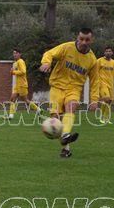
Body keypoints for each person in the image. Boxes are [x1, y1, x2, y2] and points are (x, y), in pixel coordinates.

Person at [39, 28, 99, 158]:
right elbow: (49, 53)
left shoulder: (92, 60)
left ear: (91, 40)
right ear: (78, 37)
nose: (84, 42)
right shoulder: (67, 47)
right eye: (81, 39)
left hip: (74, 89)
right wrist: (46, 62)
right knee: (56, 118)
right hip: (57, 86)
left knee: (71, 107)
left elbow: (95, 81)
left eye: (87, 40)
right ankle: (66, 149)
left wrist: (94, 100)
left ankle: (65, 134)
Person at [5, 48, 41, 119]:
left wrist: (14, 72)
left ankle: (38, 109)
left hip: (22, 84)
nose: (14, 54)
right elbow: (16, 72)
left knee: (26, 100)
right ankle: (11, 116)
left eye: (16, 53)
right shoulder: (15, 63)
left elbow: (23, 71)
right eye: (13, 53)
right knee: (12, 98)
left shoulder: (21, 61)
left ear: (19, 54)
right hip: (17, 85)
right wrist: (12, 72)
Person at [96, 46, 114, 124]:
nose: (108, 52)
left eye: (109, 51)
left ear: (112, 53)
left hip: (110, 85)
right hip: (102, 84)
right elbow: (95, 72)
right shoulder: (99, 61)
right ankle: (101, 117)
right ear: (104, 52)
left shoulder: (113, 63)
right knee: (106, 99)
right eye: (106, 51)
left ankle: (106, 118)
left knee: (109, 102)